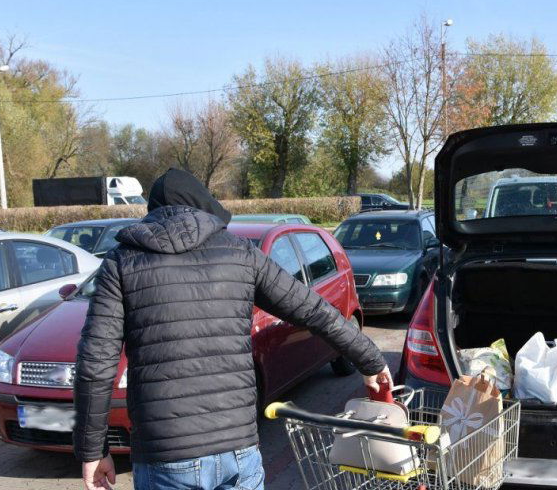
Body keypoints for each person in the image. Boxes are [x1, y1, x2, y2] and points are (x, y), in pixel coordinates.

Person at [73, 168, 392, 490]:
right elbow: (313, 310)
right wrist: (370, 360)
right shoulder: (240, 253)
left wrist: (93, 452)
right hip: (237, 446)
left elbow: (95, 365)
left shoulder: (122, 261)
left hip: (166, 452)